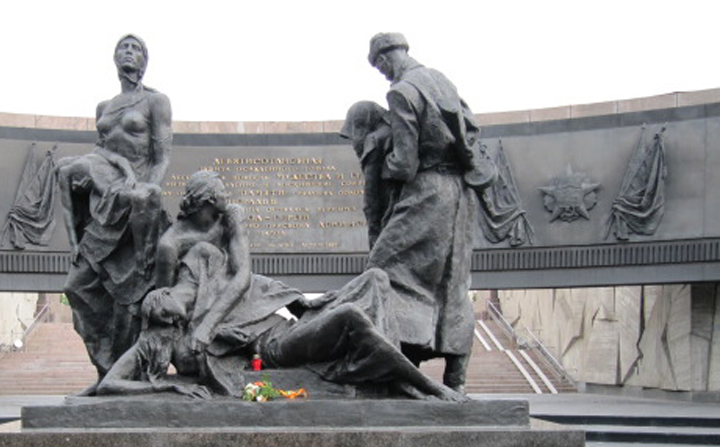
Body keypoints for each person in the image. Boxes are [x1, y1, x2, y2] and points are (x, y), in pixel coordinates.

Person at [96, 171, 464, 402]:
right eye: (162, 303)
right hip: (269, 346)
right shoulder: (164, 337)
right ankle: (424, 386)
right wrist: (169, 384)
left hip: (282, 320)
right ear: (162, 320)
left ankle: (388, 376)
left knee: (377, 279)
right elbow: (110, 384)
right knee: (351, 316)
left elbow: (242, 277)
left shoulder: (199, 261)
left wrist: (205, 327)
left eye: (166, 293)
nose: (165, 296)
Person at [365, 33, 494, 394]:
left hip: (427, 192)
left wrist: (380, 166)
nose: (384, 74)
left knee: (382, 272)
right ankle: (455, 378)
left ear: (387, 58)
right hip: (460, 195)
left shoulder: (402, 91)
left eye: (381, 67)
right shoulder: (440, 79)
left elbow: (405, 164)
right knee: (452, 282)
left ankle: (397, 371)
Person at [57, 34, 173, 393]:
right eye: (123, 47)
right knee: (77, 287)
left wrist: (144, 190)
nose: (129, 52)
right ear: (114, 58)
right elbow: (101, 150)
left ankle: (119, 378)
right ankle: (103, 372)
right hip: (105, 200)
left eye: (136, 48)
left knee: (132, 297)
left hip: (137, 202)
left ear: (145, 60)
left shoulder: (156, 101)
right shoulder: (104, 106)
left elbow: (161, 155)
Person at [340, 101, 394, 249]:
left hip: (389, 211)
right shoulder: (396, 131)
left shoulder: (374, 141)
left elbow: (371, 198)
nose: (353, 142)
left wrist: (374, 235)